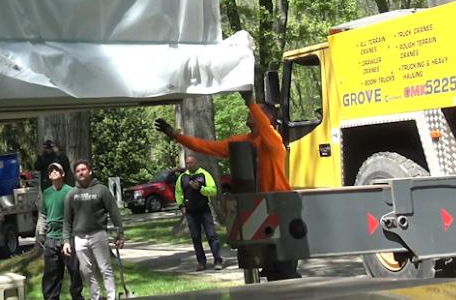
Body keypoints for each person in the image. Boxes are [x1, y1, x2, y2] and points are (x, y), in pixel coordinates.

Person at [155, 90, 299, 280]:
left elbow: (265, 126)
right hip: (260, 208)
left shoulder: (274, 140)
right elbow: (208, 147)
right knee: (270, 265)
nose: (250, 113)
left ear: (268, 117)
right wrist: (176, 135)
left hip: (280, 206)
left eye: (256, 111)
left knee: (285, 265)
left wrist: (250, 102)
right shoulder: (244, 142)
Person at [62, 159, 123, 300]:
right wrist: (66, 241)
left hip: (98, 234)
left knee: (105, 268)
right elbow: (67, 221)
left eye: (83, 170)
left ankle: (111, 296)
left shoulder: (101, 190)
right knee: (87, 270)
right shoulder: (71, 194)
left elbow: (114, 213)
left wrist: (120, 234)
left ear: (90, 171)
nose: (80, 173)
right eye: (77, 171)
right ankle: (95, 297)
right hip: (79, 238)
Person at [36, 162, 83, 300]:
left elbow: (79, 214)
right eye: (51, 171)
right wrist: (41, 235)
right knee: (51, 275)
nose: (54, 172)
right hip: (51, 240)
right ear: (49, 176)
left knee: (74, 272)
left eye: (57, 170)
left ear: (63, 174)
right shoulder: (46, 193)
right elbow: (43, 216)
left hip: (68, 239)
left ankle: (77, 297)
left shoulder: (71, 191)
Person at [175, 155, 222, 271]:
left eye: (191, 163)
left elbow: (213, 190)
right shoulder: (182, 177)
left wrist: (200, 189)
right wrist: (181, 206)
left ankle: (218, 261)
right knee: (196, 238)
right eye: (187, 163)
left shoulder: (204, 175)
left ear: (196, 163)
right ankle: (201, 263)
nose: (189, 165)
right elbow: (178, 193)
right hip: (191, 213)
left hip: (204, 210)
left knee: (211, 235)